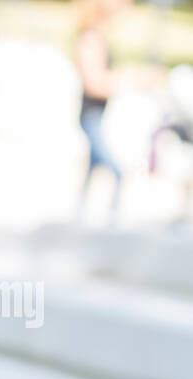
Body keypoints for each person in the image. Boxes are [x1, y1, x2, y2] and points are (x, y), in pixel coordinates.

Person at [74, 0, 133, 224]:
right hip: (90, 115)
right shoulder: (89, 38)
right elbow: (94, 83)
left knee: (92, 168)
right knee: (116, 171)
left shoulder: (98, 36)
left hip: (98, 114)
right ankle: (112, 219)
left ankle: (79, 214)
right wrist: (127, 82)